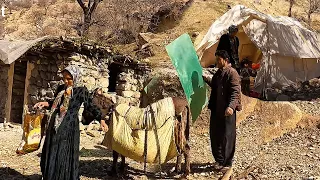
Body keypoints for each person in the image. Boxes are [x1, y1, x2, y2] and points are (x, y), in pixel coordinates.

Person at [33, 65, 108, 180]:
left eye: (69, 78)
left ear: (76, 77)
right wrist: (45, 103)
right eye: (64, 78)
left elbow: (91, 106)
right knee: (52, 150)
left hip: (69, 127)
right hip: (55, 125)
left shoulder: (81, 90)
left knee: (64, 152)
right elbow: (55, 103)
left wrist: (101, 119)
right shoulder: (61, 88)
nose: (66, 81)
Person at [202, 50, 241, 172]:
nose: (217, 62)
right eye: (216, 59)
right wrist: (204, 78)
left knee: (227, 136)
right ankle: (219, 160)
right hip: (216, 109)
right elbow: (214, 85)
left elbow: (235, 92)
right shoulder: (218, 73)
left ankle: (227, 163)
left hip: (227, 111)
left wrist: (231, 107)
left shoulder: (232, 73)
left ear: (225, 60)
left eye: (219, 59)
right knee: (215, 135)